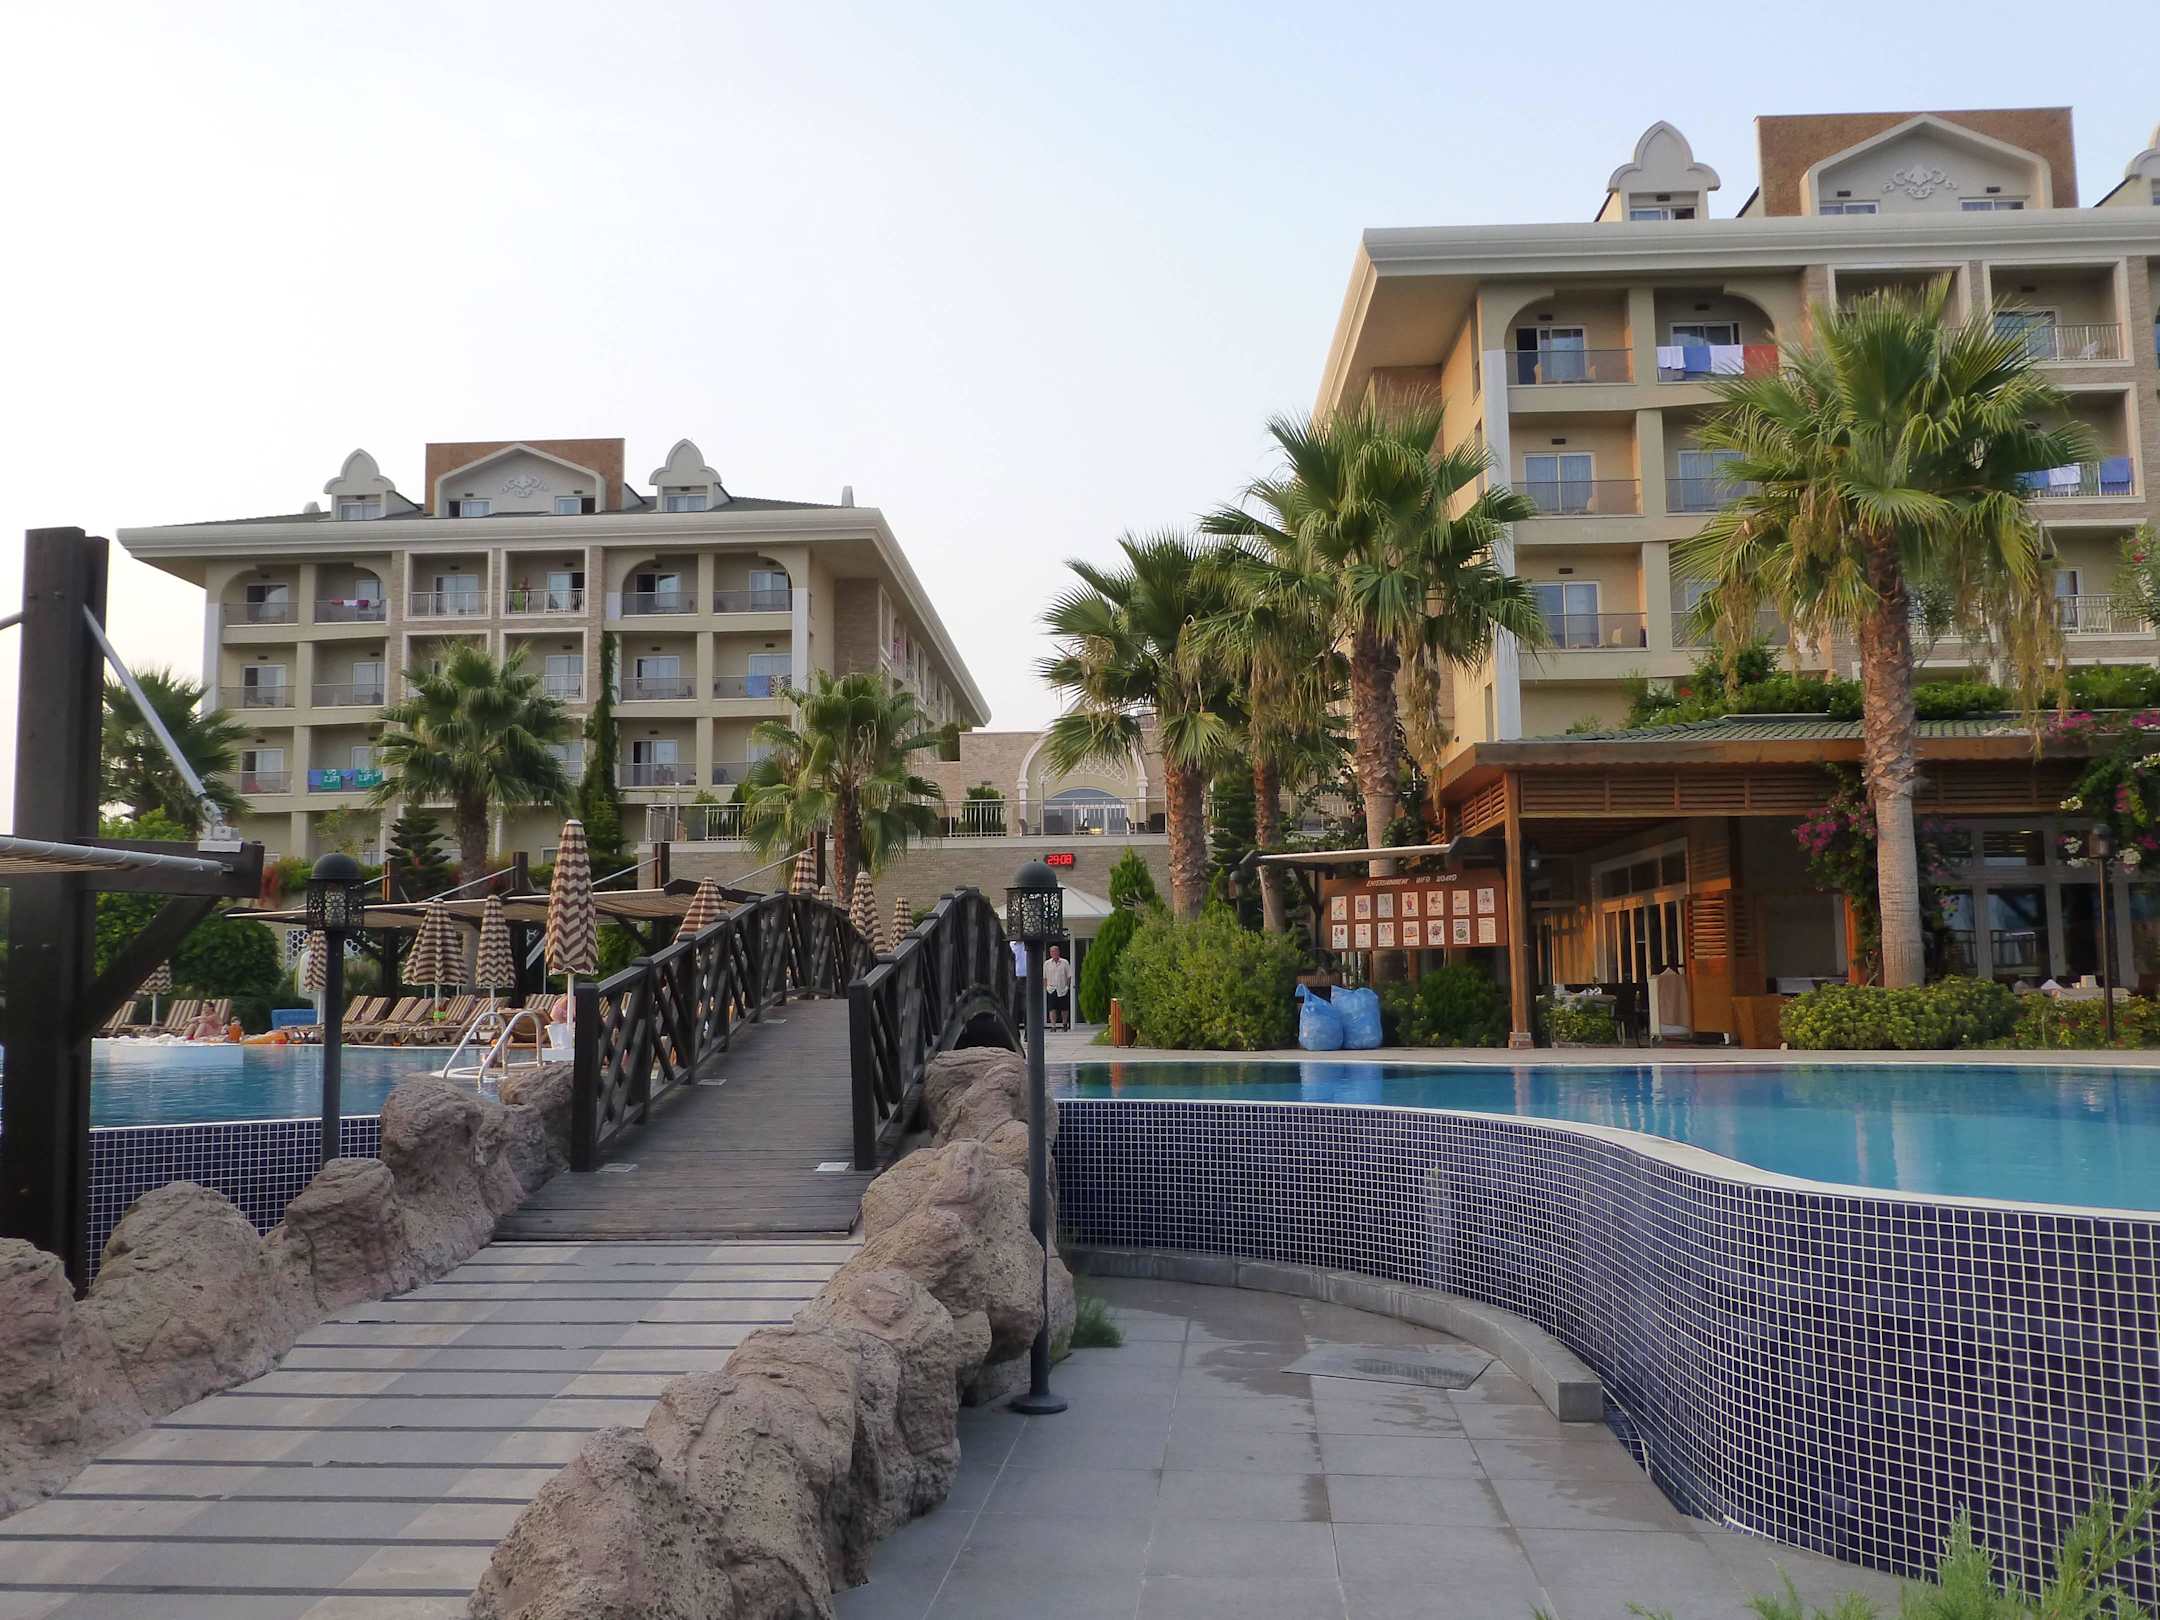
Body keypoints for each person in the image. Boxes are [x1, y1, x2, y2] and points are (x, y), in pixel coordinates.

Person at [1043, 944, 1073, 1032]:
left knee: (1064, 1008)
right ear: (1050, 953)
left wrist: (1067, 987)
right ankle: (1053, 1026)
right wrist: (1046, 987)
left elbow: (1069, 976)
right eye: (1052, 952)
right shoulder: (1047, 963)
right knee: (1052, 1008)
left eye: (1055, 951)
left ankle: (1064, 1024)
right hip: (1051, 989)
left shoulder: (1065, 962)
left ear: (1059, 952)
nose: (1054, 953)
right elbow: (1044, 977)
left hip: (1062, 988)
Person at [1010, 935, 1028, 1028]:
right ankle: (1015, 1030)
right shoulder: (1010, 945)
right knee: (1014, 1007)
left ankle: (1028, 1031)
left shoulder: (1027, 944)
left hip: (1026, 978)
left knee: (1026, 1007)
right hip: (1013, 978)